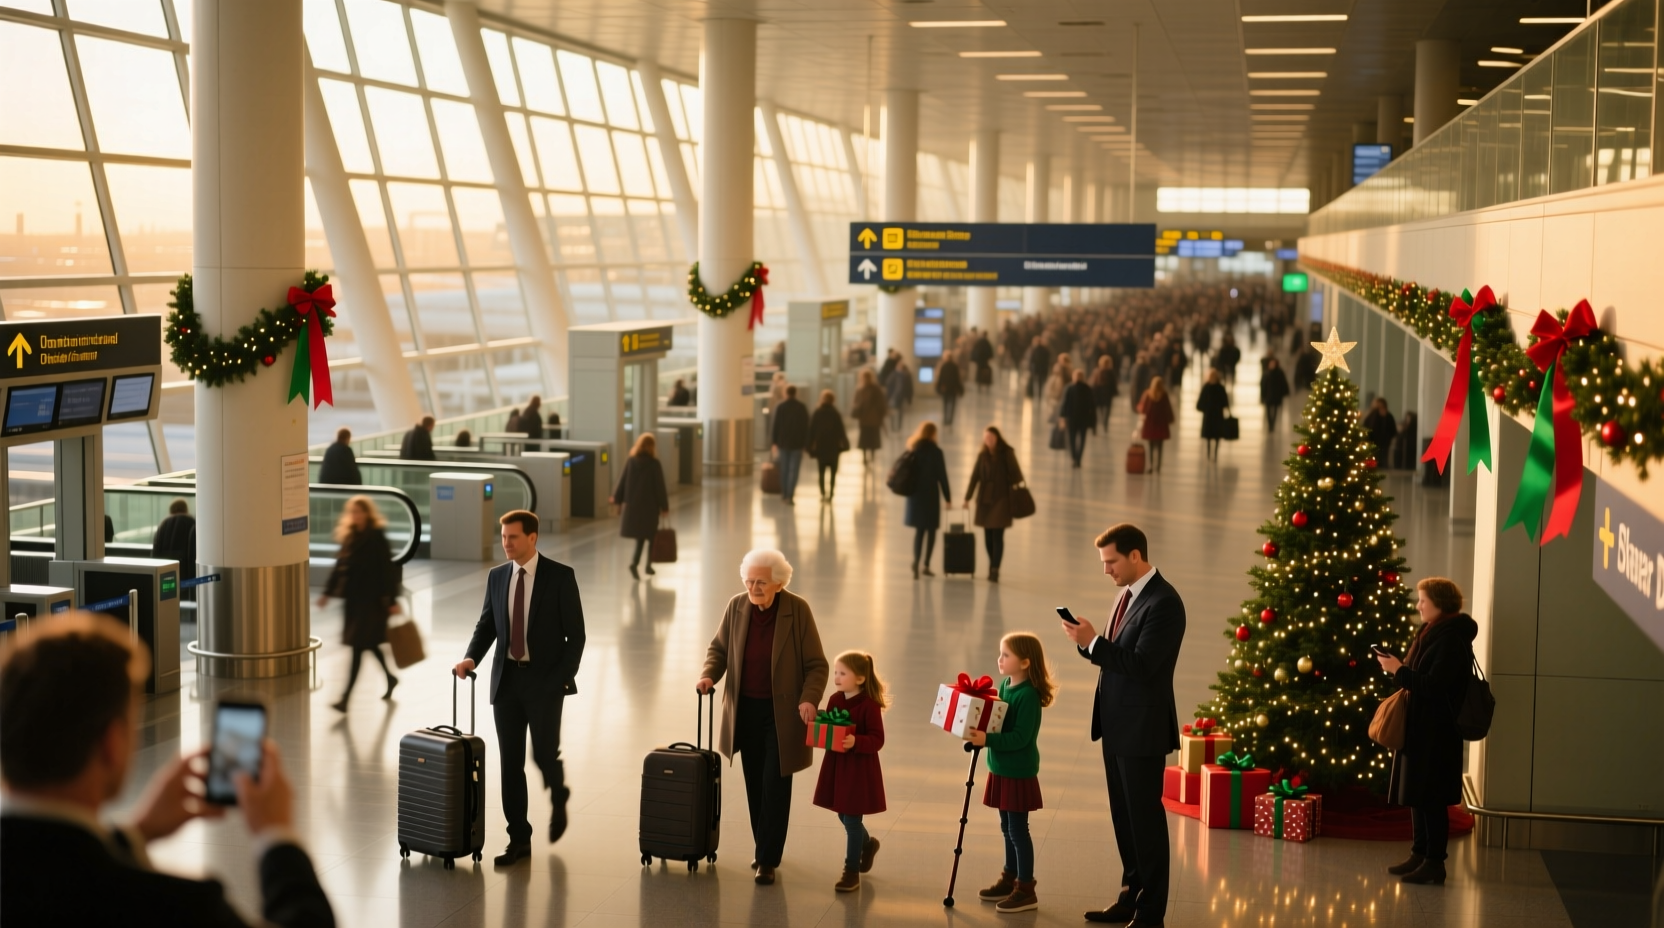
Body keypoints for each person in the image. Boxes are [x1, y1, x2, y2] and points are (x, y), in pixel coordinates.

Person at [0, 613, 334, 927]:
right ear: (112, 744)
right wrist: (277, 837)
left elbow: (51, 869)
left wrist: (135, 833)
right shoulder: (178, 907)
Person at [1061, 524, 1186, 927]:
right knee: (1124, 818)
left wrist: (1096, 644)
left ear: (1136, 556)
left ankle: (1151, 914)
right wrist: (1088, 644)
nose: (1106, 570)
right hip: (1117, 726)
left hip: (1141, 729)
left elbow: (1144, 666)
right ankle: (1130, 898)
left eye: (1111, 561)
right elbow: (1119, 657)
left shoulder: (1164, 602)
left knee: (1145, 822)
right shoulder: (1129, 596)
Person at [453, 511, 587, 864]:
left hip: (545, 682)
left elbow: (576, 637)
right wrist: (471, 658)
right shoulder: (498, 577)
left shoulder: (559, 577)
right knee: (510, 762)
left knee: (543, 754)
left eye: (513, 537)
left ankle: (558, 794)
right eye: (503, 536)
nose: (506, 543)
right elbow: (487, 625)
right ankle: (519, 839)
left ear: (532, 538)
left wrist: (560, 678)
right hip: (507, 681)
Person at [696, 550, 829, 886]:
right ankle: (763, 847)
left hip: (782, 714)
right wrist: (709, 675)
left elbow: (817, 664)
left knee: (775, 783)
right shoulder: (737, 606)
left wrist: (809, 699)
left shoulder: (797, 611)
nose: (753, 588)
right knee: (755, 783)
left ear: (779, 583)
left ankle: (767, 859)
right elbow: (719, 649)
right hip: (745, 711)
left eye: (761, 582)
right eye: (749, 581)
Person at [1375, 578, 1477, 886]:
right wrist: (1398, 670)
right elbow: (1417, 678)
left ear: (1440, 602)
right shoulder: (1430, 631)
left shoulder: (1451, 638)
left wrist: (1399, 671)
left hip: (1437, 730)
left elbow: (1434, 685)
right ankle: (1419, 853)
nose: (1419, 605)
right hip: (1420, 725)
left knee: (1430, 796)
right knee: (1418, 793)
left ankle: (1435, 863)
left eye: (1423, 600)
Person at [971, 632, 1056, 914]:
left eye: (1006, 655)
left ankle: (1026, 888)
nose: (1000, 659)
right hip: (1001, 769)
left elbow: (1020, 737)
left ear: (1025, 662)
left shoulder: (1028, 695)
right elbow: (998, 721)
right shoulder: (1006, 684)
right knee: (1006, 828)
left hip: (1018, 771)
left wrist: (988, 740)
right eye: (1000, 653)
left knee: (1018, 830)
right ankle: (1010, 877)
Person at [812, 650, 887, 893]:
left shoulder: (869, 706)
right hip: (837, 767)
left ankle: (851, 870)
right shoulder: (835, 700)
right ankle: (867, 844)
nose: (837, 677)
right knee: (843, 814)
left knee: (852, 819)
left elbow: (877, 739)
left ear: (860, 678)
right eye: (836, 672)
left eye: (842, 673)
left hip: (858, 770)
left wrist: (857, 742)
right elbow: (831, 726)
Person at [318, 496, 400, 712]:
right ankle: (390, 678)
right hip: (354, 602)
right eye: (353, 512)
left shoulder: (375, 537)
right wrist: (327, 592)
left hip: (372, 602)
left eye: (359, 511)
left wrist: (392, 599)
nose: (356, 515)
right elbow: (339, 567)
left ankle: (345, 699)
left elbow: (387, 570)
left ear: (367, 513)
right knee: (369, 645)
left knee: (358, 647)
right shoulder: (350, 537)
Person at [964, 426, 1024, 583]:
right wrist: (967, 497)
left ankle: (995, 569)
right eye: (986, 438)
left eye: (991, 437)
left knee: (997, 535)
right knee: (987, 537)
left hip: (1002, 499)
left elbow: (1017, 474)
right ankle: (992, 564)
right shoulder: (982, 456)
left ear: (997, 438)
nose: (988, 440)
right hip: (985, 500)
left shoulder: (1007, 454)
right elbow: (974, 477)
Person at [611, 433, 670, 579]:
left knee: (640, 538)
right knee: (651, 537)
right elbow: (660, 487)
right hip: (649, 509)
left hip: (634, 508)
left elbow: (623, 481)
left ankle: (637, 563)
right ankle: (647, 565)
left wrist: (617, 498)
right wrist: (664, 506)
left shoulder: (631, 461)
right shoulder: (654, 464)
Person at [903, 421, 951, 579]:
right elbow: (942, 476)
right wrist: (948, 498)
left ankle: (916, 563)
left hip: (916, 496)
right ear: (933, 434)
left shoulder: (914, 449)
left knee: (919, 531)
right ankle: (926, 565)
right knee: (931, 531)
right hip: (931, 495)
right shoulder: (937, 452)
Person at [806, 389, 849, 503]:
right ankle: (831, 495)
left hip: (821, 448)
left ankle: (823, 493)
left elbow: (811, 431)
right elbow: (841, 431)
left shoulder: (817, 412)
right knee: (833, 473)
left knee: (821, 472)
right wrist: (845, 444)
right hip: (834, 448)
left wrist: (809, 446)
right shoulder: (835, 413)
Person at [771, 384, 810, 505]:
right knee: (794, 470)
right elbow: (806, 427)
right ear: (796, 393)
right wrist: (806, 443)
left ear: (785, 393)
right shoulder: (802, 407)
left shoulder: (780, 406)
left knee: (784, 469)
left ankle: (784, 494)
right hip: (797, 443)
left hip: (783, 443)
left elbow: (775, 425)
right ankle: (790, 495)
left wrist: (774, 442)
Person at [150, 498, 197, 587]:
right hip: (186, 573)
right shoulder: (193, 523)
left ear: (171, 510)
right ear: (186, 509)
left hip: (166, 571)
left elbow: (155, 550)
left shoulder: (163, 524)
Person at [1137, 376, 1175, 474]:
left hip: (1150, 423)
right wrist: (1171, 419)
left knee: (1150, 446)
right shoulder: (1164, 395)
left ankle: (1150, 466)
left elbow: (1143, 408)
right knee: (1160, 447)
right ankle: (1158, 467)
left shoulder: (1148, 394)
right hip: (1161, 424)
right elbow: (1168, 409)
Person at [1059, 369, 1097, 468]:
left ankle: (1075, 458)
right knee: (1081, 439)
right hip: (1082, 418)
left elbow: (1064, 403)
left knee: (1072, 439)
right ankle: (1078, 459)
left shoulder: (1070, 388)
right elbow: (1092, 406)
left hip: (1073, 418)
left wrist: (1062, 416)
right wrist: (1093, 423)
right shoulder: (1087, 388)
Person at [851, 369, 888, 467]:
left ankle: (869, 456)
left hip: (870, 418)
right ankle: (867, 456)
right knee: (867, 438)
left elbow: (881, 404)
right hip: (869, 418)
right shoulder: (864, 389)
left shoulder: (870, 389)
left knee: (869, 438)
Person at [1196, 369, 1231, 461]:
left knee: (1216, 436)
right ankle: (1208, 454)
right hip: (1211, 414)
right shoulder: (1210, 387)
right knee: (1209, 436)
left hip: (1215, 415)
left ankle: (1214, 455)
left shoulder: (1215, 387)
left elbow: (1225, 401)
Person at [1363, 397, 1397, 465]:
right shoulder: (1372, 414)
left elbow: (1392, 429)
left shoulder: (1388, 416)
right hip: (1373, 440)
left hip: (1384, 441)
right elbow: (1367, 425)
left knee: (1382, 456)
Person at [1261, 357, 1291, 431]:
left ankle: (1272, 424)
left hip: (1276, 395)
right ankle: (1270, 424)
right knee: (1268, 411)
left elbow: (1283, 383)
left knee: (1275, 410)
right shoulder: (1266, 373)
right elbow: (1263, 385)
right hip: (1268, 395)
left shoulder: (1279, 373)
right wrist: (1262, 395)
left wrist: (1284, 392)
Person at [884, 358, 913, 432]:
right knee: (896, 412)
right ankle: (896, 427)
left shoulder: (904, 375)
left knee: (898, 412)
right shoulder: (898, 375)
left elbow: (909, 388)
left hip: (898, 396)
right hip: (895, 396)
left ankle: (896, 427)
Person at [1091, 354, 1119, 429]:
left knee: (1099, 408)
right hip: (1107, 393)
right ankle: (1104, 423)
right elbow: (1114, 383)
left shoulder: (1096, 371)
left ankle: (1102, 421)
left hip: (1098, 393)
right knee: (1107, 409)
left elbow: (1093, 383)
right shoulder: (1111, 372)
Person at [935, 354, 964, 427]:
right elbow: (958, 379)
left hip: (945, 389)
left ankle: (945, 420)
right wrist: (960, 390)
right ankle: (950, 421)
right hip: (953, 389)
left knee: (945, 405)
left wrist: (939, 389)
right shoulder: (954, 367)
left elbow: (940, 379)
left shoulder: (944, 367)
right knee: (952, 406)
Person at [1026, 337, 1053, 403]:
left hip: (1036, 370)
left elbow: (1032, 360)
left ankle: (1034, 395)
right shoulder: (1046, 350)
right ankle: (1039, 396)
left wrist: (1031, 369)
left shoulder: (1035, 350)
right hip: (1043, 370)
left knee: (1036, 383)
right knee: (1041, 384)